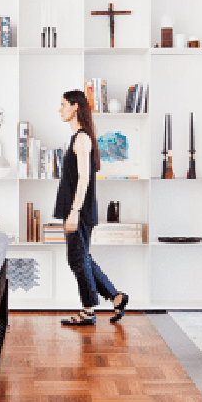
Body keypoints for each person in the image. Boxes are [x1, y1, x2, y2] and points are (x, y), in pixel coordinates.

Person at [54, 90, 128, 326]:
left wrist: (74, 211)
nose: (60, 109)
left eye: (64, 104)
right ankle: (115, 297)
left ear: (75, 107)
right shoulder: (78, 137)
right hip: (76, 210)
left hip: (79, 211)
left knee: (77, 259)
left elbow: (84, 178)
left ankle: (87, 311)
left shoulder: (82, 138)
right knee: (82, 257)